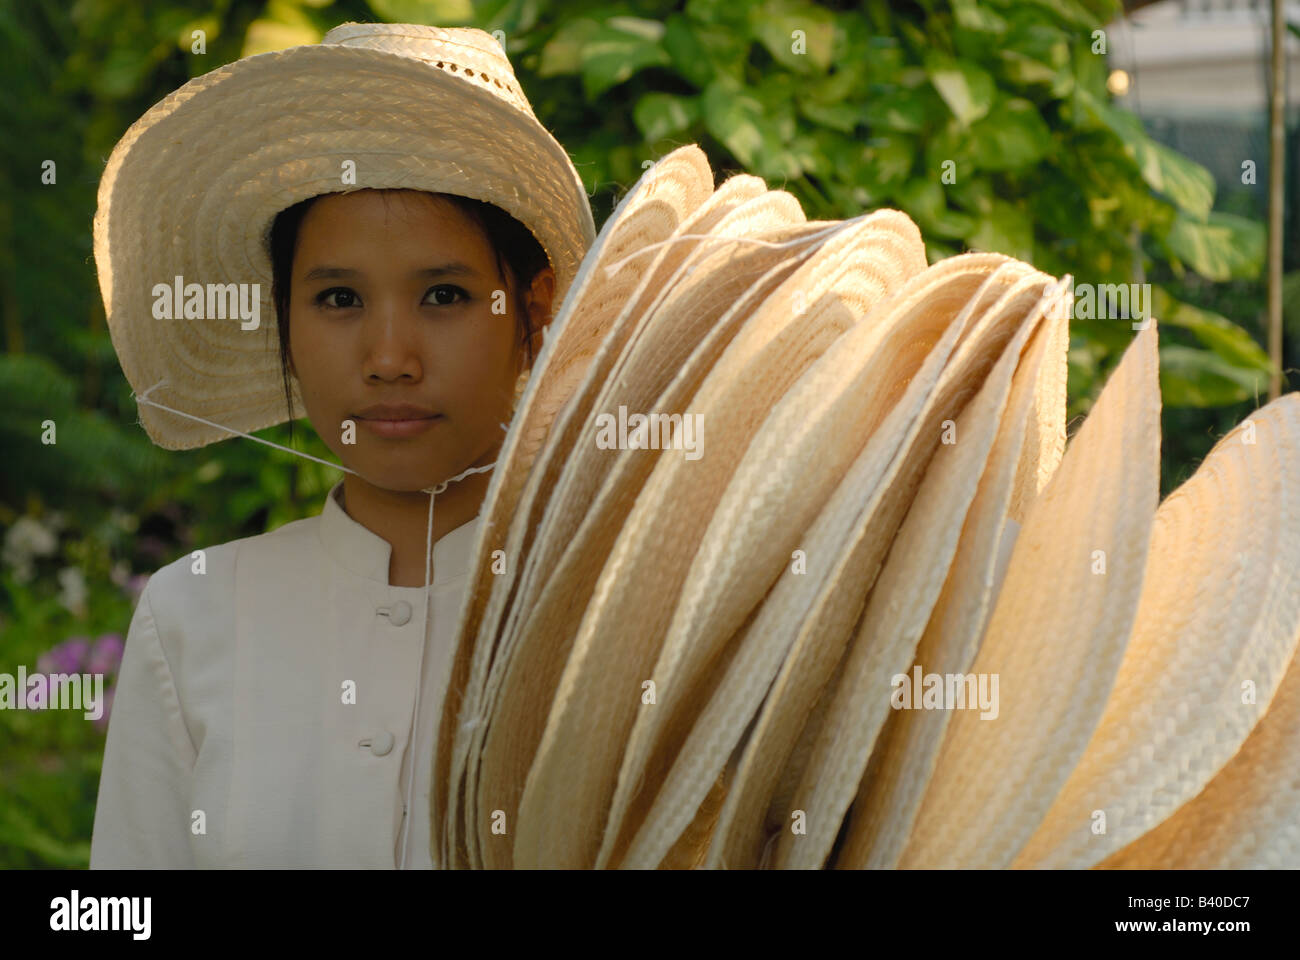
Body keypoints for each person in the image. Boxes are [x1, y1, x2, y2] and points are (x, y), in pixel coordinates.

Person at [88, 22, 595, 868]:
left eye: (444, 293)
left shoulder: (614, 612)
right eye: (337, 299)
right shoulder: (194, 618)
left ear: (533, 312)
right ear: (282, 322)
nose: (389, 359)